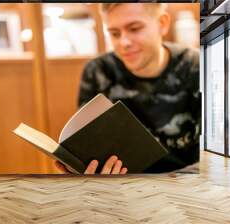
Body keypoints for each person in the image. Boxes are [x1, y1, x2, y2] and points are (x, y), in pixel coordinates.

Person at [56, 3, 200, 174]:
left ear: (162, 23)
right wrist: (78, 167)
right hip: (119, 192)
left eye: (134, 29)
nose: (123, 42)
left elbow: (216, 159)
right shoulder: (98, 72)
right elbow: (88, 147)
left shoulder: (197, 67)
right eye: (115, 33)